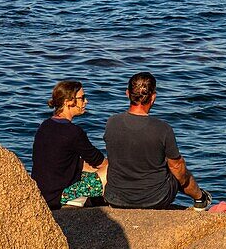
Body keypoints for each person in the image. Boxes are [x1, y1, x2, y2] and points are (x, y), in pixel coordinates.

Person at [103, 72, 211, 210]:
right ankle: (200, 200)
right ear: (153, 97)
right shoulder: (162, 128)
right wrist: (197, 193)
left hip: (116, 197)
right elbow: (178, 169)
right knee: (176, 165)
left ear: (127, 94)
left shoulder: (111, 122)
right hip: (155, 199)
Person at [31, 80, 107, 209]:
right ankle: (73, 199)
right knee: (112, 170)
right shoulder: (74, 132)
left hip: (42, 190)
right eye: (82, 98)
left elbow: (62, 160)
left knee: (87, 165)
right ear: (68, 102)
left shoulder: (45, 125)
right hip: (58, 195)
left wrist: (91, 167)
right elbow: (101, 162)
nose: (86, 101)